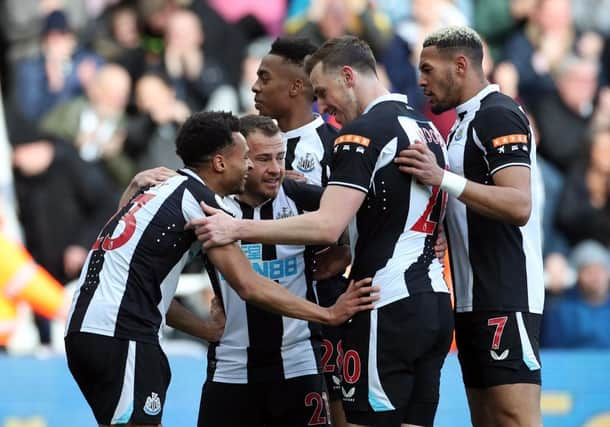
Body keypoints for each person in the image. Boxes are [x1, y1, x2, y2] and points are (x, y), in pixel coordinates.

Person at [189, 37, 454, 427]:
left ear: (349, 77)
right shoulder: (426, 130)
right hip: (433, 302)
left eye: (325, 93)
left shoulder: (361, 134)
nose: (324, 107)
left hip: (385, 303)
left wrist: (237, 228)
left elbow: (328, 225)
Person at [64, 111, 377, 427]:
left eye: (277, 158)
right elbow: (249, 285)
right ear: (219, 163)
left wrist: (205, 330)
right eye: (248, 158)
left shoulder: (157, 191)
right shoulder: (202, 205)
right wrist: (328, 314)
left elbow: (139, 277)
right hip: (123, 332)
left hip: (90, 328)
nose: (252, 167)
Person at [395, 26, 545, 427]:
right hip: (471, 298)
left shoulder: (498, 113)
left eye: (427, 69)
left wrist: (441, 177)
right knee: (487, 420)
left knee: (515, 418)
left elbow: (518, 204)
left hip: (506, 293)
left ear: (460, 65)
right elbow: (472, 199)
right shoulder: (463, 123)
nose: (420, 81)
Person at [198, 114, 347, 426]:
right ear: (237, 161)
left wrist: (344, 253)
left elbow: (367, 213)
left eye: (280, 157)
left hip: (299, 364)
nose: (276, 169)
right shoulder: (208, 206)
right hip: (231, 367)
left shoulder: (303, 198)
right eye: (263, 159)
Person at [250, 35, 350, 424]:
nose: (255, 86)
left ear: (295, 87)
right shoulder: (244, 146)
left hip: (320, 304)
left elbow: (359, 214)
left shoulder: (335, 144)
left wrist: (346, 251)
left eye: (264, 78)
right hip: (259, 303)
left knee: (334, 407)